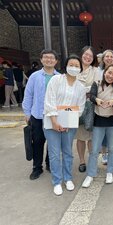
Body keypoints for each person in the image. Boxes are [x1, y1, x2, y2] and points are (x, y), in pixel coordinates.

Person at [44, 55, 86, 196]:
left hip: (70, 124)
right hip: (52, 123)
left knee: (68, 152)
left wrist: (69, 122)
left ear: (80, 68)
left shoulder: (80, 87)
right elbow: (49, 100)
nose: (73, 67)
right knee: (55, 154)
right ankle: (57, 181)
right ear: (66, 66)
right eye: (71, 64)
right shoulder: (56, 80)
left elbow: (80, 107)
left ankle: (68, 178)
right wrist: (55, 121)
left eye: (76, 65)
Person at [82, 64, 113, 187]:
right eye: (109, 73)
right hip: (99, 119)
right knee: (94, 149)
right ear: (105, 72)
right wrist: (97, 100)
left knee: (111, 148)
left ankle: (110, 171)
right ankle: (90, 174)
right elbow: (92, 95)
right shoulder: (97, 83)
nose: (111, 76)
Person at [22, 49, 59, 180]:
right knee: (37, 141)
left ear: (56, 61)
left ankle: (49, 164)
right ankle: (37, 168)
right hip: (37, 115)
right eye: (46, 57)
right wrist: (27, 113)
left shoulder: (59, 77)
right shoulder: (35, 76)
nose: (49, 60)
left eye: (51, 58)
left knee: (52, 142)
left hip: (53, 116)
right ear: (41, 60)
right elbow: (28, 95)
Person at [76, 46, 100, 173]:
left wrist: (82, 89)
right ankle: (81, 161)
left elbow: (95, 87)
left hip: (90, 107)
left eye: (90, 56)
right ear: (81, 55)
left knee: (91, 135)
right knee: (80, 136)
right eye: (86, 54)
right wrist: (85, 90)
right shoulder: (74, 68)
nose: (87, 57)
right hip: (77, 107)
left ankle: (92, 160)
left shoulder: (96, 71)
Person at [98, 49, 113, 164]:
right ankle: (104, 153)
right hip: (100, 106)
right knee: (102, 132)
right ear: (103, 58)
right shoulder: (98, 71)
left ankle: (112, 153)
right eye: (107, 56)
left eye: (111, 56)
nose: (109, 58)